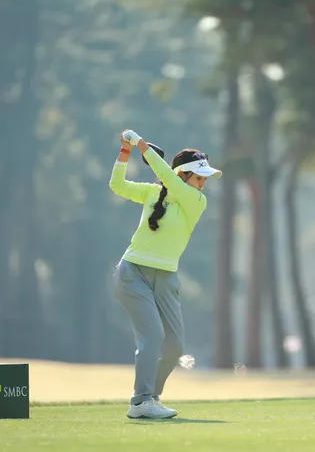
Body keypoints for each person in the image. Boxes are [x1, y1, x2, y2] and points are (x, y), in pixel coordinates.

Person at [109, 129, 222, 419]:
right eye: (199, 178)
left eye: (205, 179)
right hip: (133, 273)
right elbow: (117, 185)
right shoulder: (153, 193)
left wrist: (141, 145)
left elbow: (168, 178)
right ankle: (141, 401)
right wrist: (126, 151)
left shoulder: (196, 202)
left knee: (175, 347)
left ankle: (152, 396)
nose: (203, 184)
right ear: (183, 175)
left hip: (167, 278)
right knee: (153, 336)